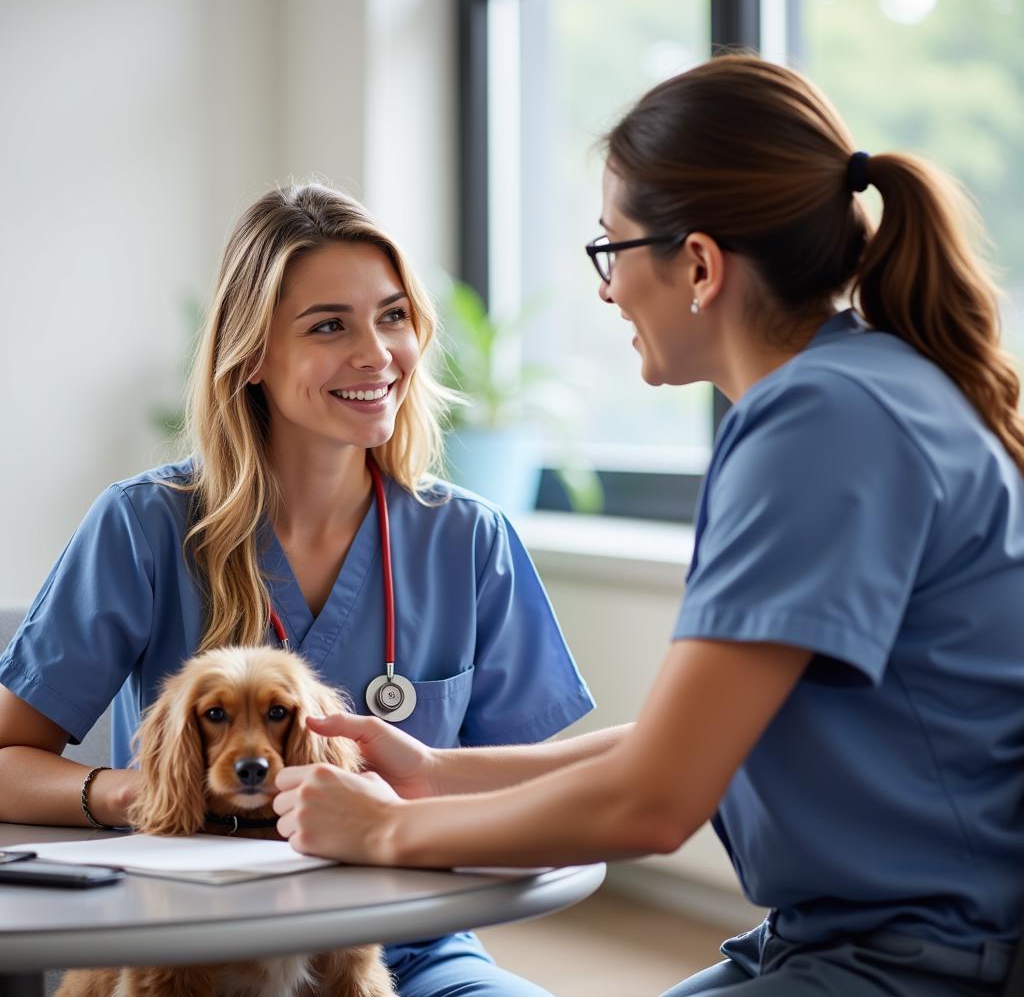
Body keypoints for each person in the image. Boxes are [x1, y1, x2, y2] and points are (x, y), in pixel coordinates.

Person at [271, 56, 1024, 997]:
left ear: (700, 264)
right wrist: (434, 774)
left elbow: (657, 799)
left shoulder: (820, 427)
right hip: (845, 940)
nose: (606, 290)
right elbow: (679, 739)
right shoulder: (859, 390)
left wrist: (384, 830)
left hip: (924, 964)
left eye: (610, 250)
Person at [0, 182, 595, 997]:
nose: (377, 354)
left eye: (392, 317)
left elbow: (535, 784)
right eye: (329, 327)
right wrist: (133, 794)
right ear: (249, 357)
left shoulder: (467, 541)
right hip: (190, 947)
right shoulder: (144, 527)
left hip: (405, 944)